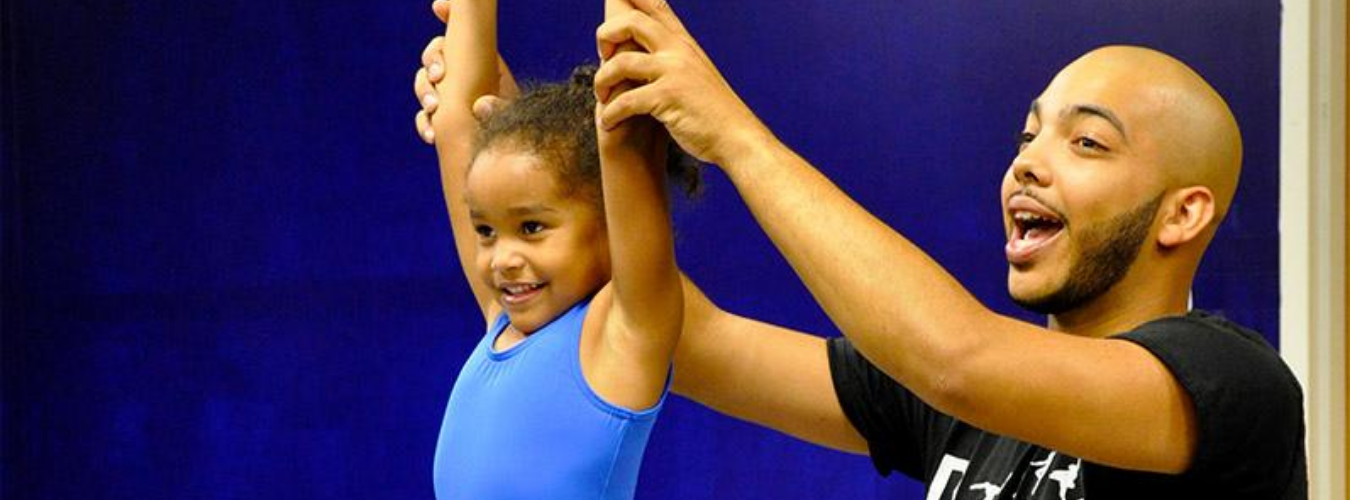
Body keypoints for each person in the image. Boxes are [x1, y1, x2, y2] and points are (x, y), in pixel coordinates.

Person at [414, 1, 1307, 497]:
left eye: (1086, 143)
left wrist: (734, 136)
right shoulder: (954, 406)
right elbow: (677, 332)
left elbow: (959, 358)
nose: (1028, 164)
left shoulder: (1232, 387)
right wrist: (537, 179)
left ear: (1182, 215)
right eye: (1027, 135)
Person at [421, 0, 702, 498]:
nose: (501, 257)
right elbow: (454, 127)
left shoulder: (623, 334)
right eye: (486, 231)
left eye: (531, 227)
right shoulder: (502, 320)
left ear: (610, 221)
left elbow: (628, 121)